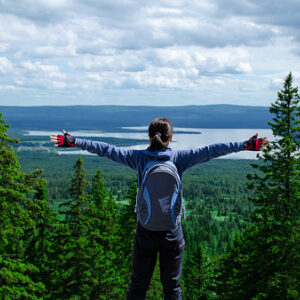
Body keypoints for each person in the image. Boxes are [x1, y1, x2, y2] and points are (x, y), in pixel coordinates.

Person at [50, 118, 269, 300]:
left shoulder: (138, 158)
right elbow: (211, 150)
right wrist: (245, 145)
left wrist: (74, 141)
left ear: (149, 137)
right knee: (172, 288)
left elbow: (106, 149)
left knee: (138, 287)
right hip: (172, 233)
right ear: (170, 138)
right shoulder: (179, 158)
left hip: (145, 230)